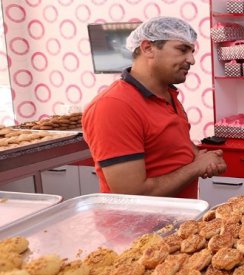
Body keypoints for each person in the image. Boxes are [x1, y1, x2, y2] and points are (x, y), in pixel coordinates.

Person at [82, 16, 227, 199]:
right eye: (182, 49)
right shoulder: (113, 106)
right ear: (148, 48)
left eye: (191, 51)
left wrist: (202, 157)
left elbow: (174, 145)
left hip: (177, 221)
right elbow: (131, 194)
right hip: (139, 227)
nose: (191, 60)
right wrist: (196, 167)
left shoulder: (168, 95)